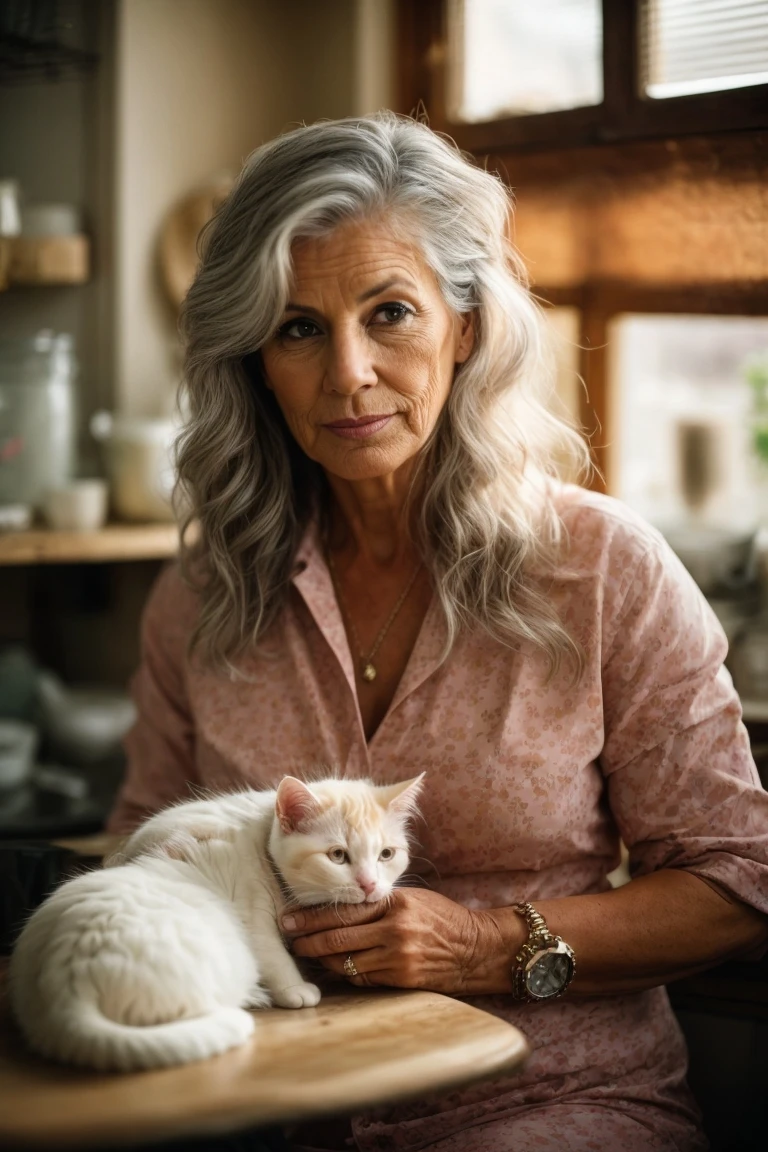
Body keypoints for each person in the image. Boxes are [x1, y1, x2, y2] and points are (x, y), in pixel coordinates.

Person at [107, 113, 768, 1152]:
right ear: (253, 364)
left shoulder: (605, 570)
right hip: (261, 1107)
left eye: (391, 313)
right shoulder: (199, 596)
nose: (349, 373)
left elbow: (739, 882)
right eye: (297, 329)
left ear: (466, 327)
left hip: (551, 1108)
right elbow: (145, 856)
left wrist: (483, 945)